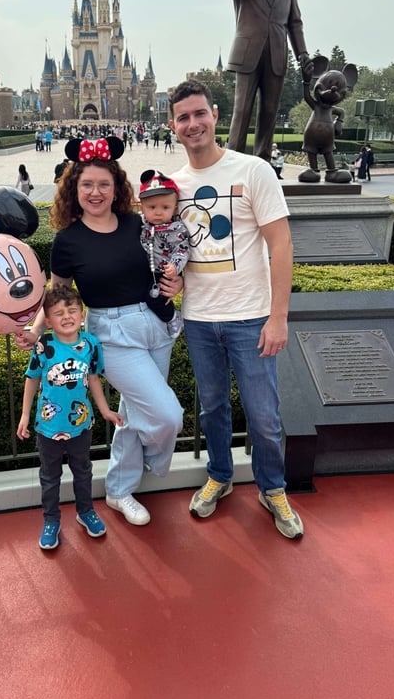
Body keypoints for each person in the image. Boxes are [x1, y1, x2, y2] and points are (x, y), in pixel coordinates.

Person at [16, 135, 183, 527]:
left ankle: (120, 489)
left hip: (156, 323)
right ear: (74, 189)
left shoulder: (136, 225)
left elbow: (169, 258)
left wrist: (176, 283)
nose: (96, 192)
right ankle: (150, 463)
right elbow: (56, 295)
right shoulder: (67, 241)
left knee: (132, 412)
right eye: (87, 184)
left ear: (117, 188)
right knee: (168, 416)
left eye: (104, 184)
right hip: (112, 334)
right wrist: (36, 330)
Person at [168, 78, 304, 540]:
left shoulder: (253, 170)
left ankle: (272, 488)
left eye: (199, 114)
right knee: (212, 410)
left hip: (250, 318)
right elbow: (173, 249)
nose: (193, 124)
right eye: (183, 117)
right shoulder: (174, 185)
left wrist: (278, 315)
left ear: (215, 115)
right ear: (173, 126)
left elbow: (281, 245)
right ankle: (220, 476)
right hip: (201, 319)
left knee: (264, 415)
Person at [17, 285, 124, 550]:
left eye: (72, 310)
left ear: (82, 313)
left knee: (83, 471)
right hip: (48, 427)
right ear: (48, 319)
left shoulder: (90, 344)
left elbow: (94, 378)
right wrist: (24, 414)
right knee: (50, 476)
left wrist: (104, 410)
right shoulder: (44, 346)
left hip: (80, 426)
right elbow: (32, 379)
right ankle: (51, 520)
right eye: (58, 313)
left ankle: (85, 511)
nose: (67, 317)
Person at [222, 0, 311, 164]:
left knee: (269, 113)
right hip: (248, 54)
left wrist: (302, 53)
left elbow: (295, 23)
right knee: (242, 112)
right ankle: (233, 165)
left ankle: (261, 166)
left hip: (277, 56)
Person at [138, 170, 189, 338]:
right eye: (152, 207)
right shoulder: (142, 224)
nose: (158, 212)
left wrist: (174, 266)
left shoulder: (175, 229)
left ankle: (173, 317)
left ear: (174, 207)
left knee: (156, 298)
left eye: (165, 207)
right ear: (142, 207)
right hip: (148, 269)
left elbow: (182, 249)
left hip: (166, 270)